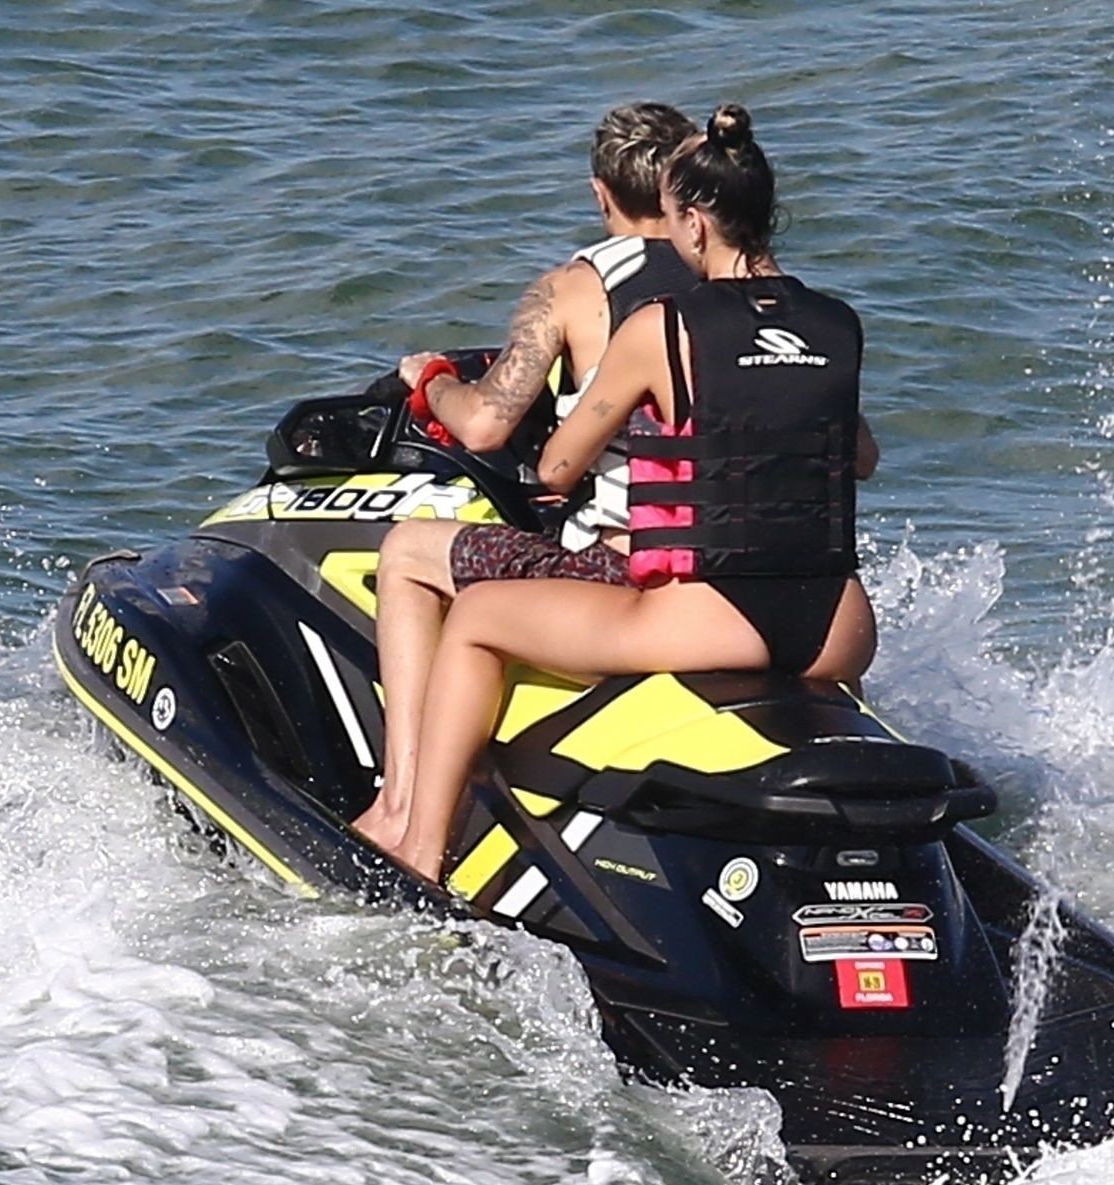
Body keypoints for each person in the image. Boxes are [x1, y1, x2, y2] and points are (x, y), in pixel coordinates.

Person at [379, 104, 880, 882]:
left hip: (717, 619)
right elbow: (861, 457)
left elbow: (557, 470)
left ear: (698, 226)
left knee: (476, 618)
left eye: (677, 222)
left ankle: (416, 848)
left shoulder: (663, 328)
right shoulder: (835, 323)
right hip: (840, 629)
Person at [353, 102, 696, 851]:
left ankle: (399, 804)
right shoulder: (732, 276)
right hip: (726, 571)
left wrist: (432, 380)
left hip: (620, 567)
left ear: (600, 193)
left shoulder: (574, 287)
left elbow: (485, 424)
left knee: (407, 552)